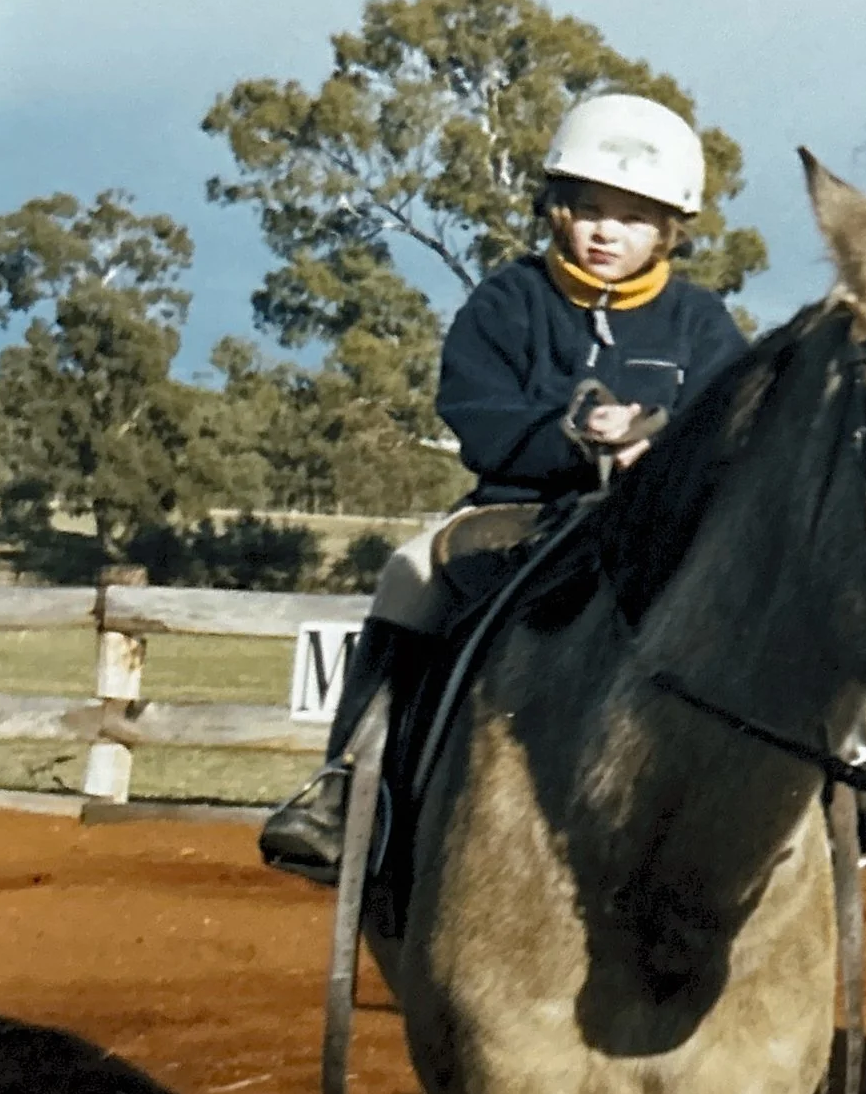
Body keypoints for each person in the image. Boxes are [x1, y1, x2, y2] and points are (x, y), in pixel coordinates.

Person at [258, 94, 747, 880]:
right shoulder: (507, 300)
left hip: (666, 519)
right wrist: (579, 437)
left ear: (670, 227)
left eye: (631, 216)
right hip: (517, 513)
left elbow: (731, 422)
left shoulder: (701, 320)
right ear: (556, 209)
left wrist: (657, 451)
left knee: (785, 577)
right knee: (408, 574)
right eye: (587, 208)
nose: (604, 231)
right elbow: (477, 415)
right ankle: (347, 786)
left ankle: (849, 776)